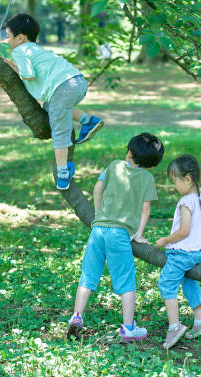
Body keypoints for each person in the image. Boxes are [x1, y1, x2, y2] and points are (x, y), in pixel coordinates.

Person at [66, 132, 165, 342]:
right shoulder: (147, 178)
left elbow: (97, 188)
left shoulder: (114, 166)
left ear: (129, 152)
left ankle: (76, 316)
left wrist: (98, 214)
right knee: (126, 281)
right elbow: (145, 209)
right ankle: (128, 327)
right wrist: (138, 234)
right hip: (120, 234)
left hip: (98, 230)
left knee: (88, 276)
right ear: (152, 164)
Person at [4, 13, 104, 190]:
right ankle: (88, 121)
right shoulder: (36, 49)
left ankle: (63, 173)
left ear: (20, 38)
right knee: (51, 107)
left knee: (59, 130)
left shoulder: (20, 50)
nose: (6, 40)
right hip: (76, 81)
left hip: (63, 87)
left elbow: (28, 75)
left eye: (8, 36)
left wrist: (10, 64)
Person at [154, 154, 201, 349]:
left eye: (174, 181)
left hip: (183, 253)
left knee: (166, 283)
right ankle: (199, 322)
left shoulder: (186, 201)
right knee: (189, 281)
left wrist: (165, 240)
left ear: (187, 179)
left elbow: (184, 231)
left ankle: (174, 326)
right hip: (200, 252)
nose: (174, 186)